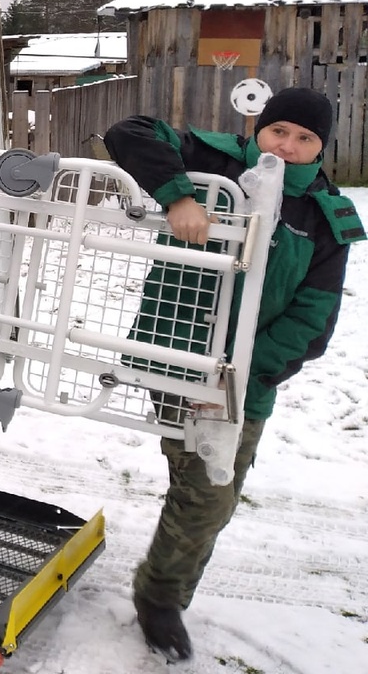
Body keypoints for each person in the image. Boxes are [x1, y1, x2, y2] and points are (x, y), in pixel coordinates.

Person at [104, 87, 363, 662]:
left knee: (208, 499)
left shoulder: (327, 216)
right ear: (258, 129)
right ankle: (165, 590)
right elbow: (129, 133)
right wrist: (178, 196)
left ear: (322, 147)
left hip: (244, 381)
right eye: (278, 132)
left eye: (305, 139)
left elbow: (312, 321)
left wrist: (234, 380)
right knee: (196, 481)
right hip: (175, 353)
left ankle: (160, 596)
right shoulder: (215, 161)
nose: (288, 148)